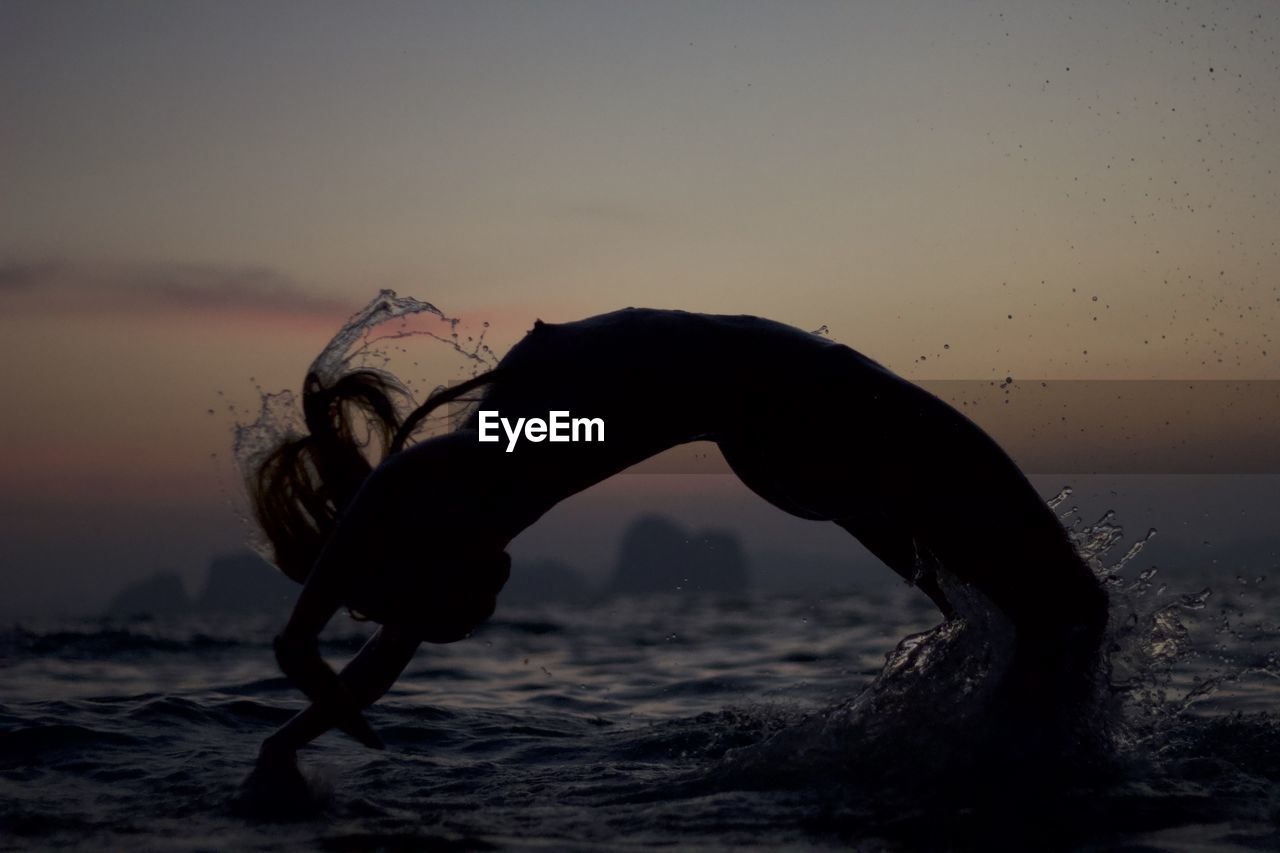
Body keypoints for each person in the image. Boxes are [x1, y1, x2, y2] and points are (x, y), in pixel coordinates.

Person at [247, 308, 1108, 777]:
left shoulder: (504, 449)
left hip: (795, 412)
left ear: (423, 563)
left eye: (456, 614)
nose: (478, 616)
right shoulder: (494, 490)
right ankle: (1014, 785)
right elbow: (385, 656)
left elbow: (400, 484)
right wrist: (291, 737)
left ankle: (1000, 778)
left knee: (1032, 619)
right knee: (1056, 614)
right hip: (796, 411)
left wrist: (301, 634)